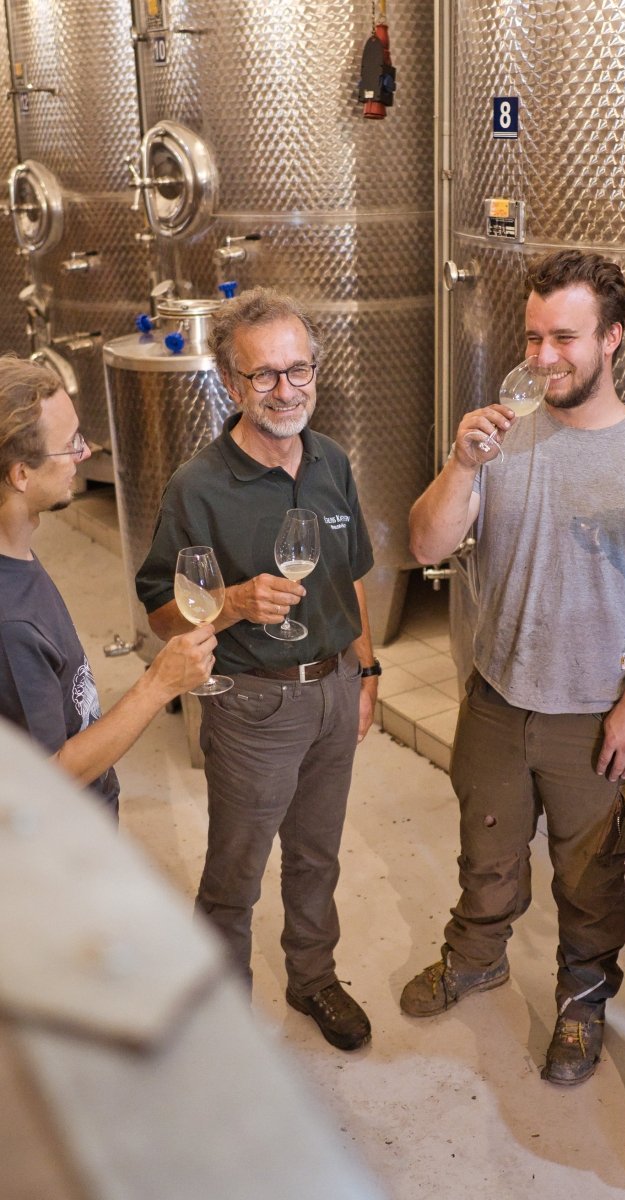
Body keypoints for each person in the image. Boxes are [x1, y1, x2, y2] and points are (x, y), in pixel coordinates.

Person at [400, 248, 625, 1086]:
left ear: (614, 338)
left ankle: (582, 1000)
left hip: (594, 712)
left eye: (565, 339)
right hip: (498, 698)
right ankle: (477, 957)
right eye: (534, 337)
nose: (544, 358)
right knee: (486, 851)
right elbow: (424, 543)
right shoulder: (499, 439)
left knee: (591, 875)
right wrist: (461, 463)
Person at [135, 287, 380, 1052]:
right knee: (235, 875)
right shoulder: (198, 487)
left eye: (297, 369)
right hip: (253, 705)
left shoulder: (333, 460)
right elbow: (159, 614)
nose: (286, 390)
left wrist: (365, 675)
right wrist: (233, 603)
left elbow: (355, 578)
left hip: (335, 690)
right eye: (264, 375)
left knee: (317, 855)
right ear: (232, 385)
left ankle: (313, 979)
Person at [0, 355, 215, 818]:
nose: (85, 451)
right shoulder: (8, 622)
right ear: (20, 474)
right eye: (70, 444)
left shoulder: (16, 551)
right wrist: (159, 684)